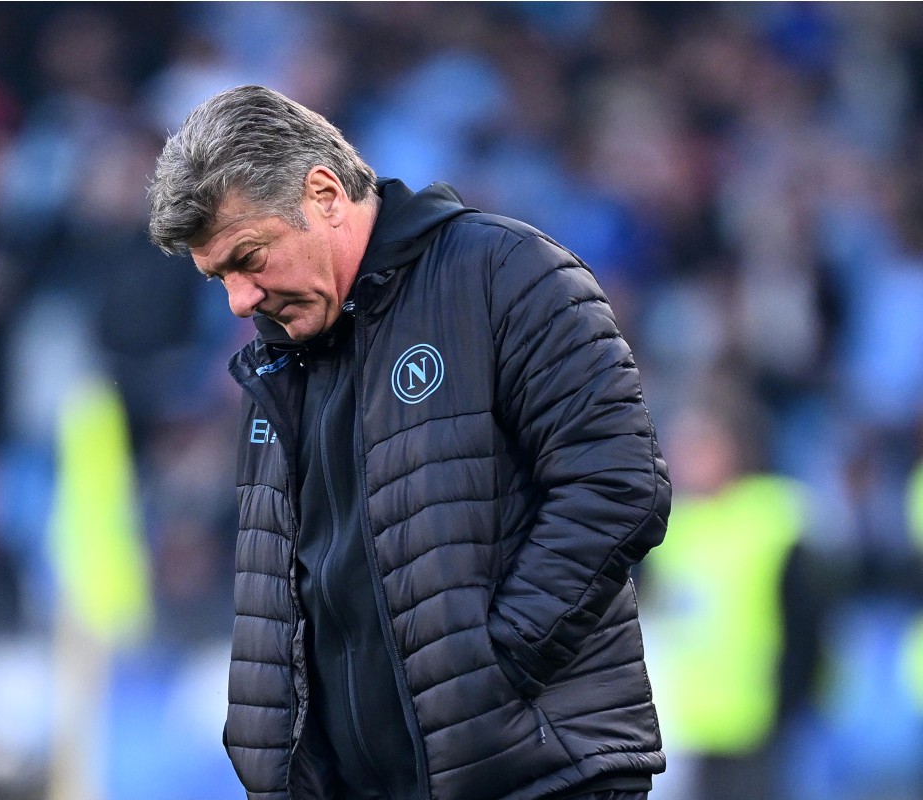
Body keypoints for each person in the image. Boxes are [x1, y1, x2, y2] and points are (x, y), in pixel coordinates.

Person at [147, 85, 671, 800]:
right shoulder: (274, 367)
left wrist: (489, 672)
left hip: (537, 778)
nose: (240, 300)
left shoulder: (504, 274)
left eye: (249, 257)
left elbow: (617, 483)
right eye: (221, 278)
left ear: (325, 194)